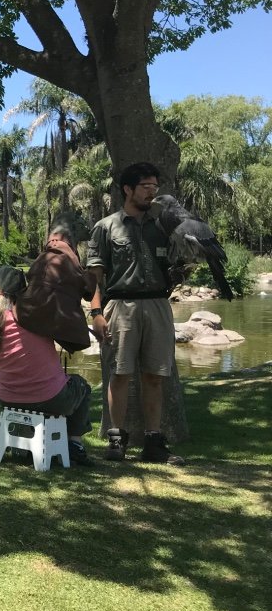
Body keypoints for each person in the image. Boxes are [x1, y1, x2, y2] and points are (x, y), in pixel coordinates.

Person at [86, 162, 184, 465]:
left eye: (155, 187)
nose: (152, 192)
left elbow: (176, 267)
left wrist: (184, 269)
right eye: (145, 187)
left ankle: (154, 443)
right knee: (119, 374)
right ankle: (117, 441)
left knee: (155, 375)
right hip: (120, 307)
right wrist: (96, 313)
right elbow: (94, 278)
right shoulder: (106, 227)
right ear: (128, 189)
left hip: (158, 305)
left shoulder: (164, 227)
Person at [0, 266, 94, 466]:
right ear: (23, 291)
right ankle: (75, 444)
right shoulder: (36, 316)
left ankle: (25, 445)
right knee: (81, 386)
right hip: (49, 399)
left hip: (7, 398)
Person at [16, 211, 97, 353]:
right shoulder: (66, 255)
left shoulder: (47, 255)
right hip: (44, 319)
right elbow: (88, 292)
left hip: (26, 315)